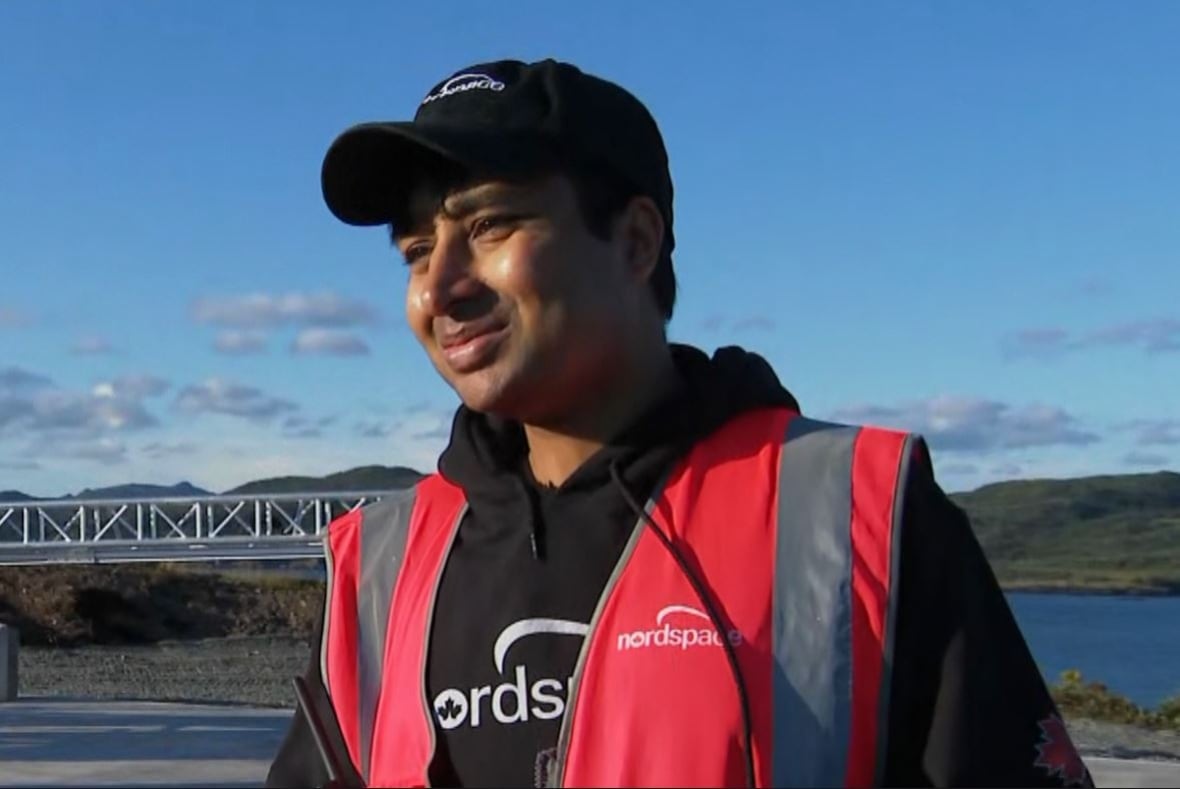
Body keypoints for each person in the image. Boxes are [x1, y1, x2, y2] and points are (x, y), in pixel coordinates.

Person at [266, 59, 1093, 788]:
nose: (437, 287)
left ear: (634, 241)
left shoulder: (860, 517)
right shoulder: (374, 570)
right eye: (415, 250)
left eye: (488, 226)